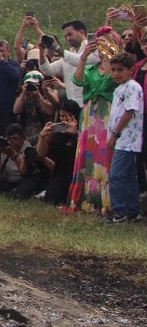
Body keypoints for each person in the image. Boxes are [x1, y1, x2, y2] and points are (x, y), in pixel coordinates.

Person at [66, 28, 117, 213]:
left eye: (105, 42)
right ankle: (86, 199)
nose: (100, 45)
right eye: (98, 42)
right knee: (87, 156)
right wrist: (84, 56)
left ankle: (106, 201)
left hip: (107, 114)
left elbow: (111, 80)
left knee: (105, 156)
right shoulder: (90, 68)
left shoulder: (117, 67)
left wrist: (109, 58)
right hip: (89, 115)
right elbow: (78, 80)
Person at [106, 52, 143, 222]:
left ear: (131, 70)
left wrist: (114, 133)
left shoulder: (132, 87)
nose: (116, 73)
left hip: (127, 139)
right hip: (122, 139)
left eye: (120, 69)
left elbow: (129, 111)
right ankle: (133, 211)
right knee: (128, 176)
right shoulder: (119, 88)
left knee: (117, 175)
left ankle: (119, 212)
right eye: (113, 69)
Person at [36, 100, 80, 205]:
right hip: (60, 173)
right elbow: (41, 154)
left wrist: (74, 134)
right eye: (62, 116)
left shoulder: (82, 132)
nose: (65, 120)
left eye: (69, 116)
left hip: (77, 173)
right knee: (51, 199)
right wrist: (42, 137)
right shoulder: (56, 134)